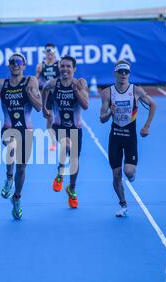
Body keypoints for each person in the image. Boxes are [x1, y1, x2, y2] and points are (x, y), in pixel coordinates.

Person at [0, 53, 42, 220]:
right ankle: (9, 178)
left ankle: (16, 198)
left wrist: (29, 93)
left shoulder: (31, 81)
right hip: (8, 128)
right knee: (11, 145)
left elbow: (38, 107)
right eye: (12, 62)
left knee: (22, 167)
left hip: (27, 129)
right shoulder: (1, 84)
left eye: (19, 62)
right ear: (9, 66)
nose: (16, 64)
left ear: (24, 65)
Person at [100, 60, 157, 217]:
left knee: (129, 172)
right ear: (115, 74)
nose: (123, 74)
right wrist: (110, 112)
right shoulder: (107, 93)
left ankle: (131, 175)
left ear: (129, 74)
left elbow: (153, 105)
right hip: (116, 137)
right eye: (120, 71)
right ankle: (123, 205)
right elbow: (102, 118)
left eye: (126, 71)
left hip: (130, 137)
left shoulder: (136, 91)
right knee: (116, 174)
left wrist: (147, 126)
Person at [42, 55, 89, 208]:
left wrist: (76, 92)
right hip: (58, 126)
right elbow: (44, 89)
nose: (65, 69)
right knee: (66, 145)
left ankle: (72, 189)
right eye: (63, 66)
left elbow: (85, 105)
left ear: (74, 69)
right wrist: (44, 107)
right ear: (59, 68)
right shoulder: (53, 84)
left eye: (68, 66)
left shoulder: (80, 84)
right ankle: (60, 172)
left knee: (75, 160)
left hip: (76, 127)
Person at [36, 43, 60, 151]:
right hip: (47, 94)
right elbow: (35, 80)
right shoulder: (40, 65)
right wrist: (36, 92)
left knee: (62, 117)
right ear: (45, 52)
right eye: (48, 51)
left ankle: (65, 137)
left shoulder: (59, 64)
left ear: (55, 52)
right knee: (49, 118)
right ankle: (53, 142)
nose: (50, 54)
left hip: (58, 93)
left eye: (52, 51)